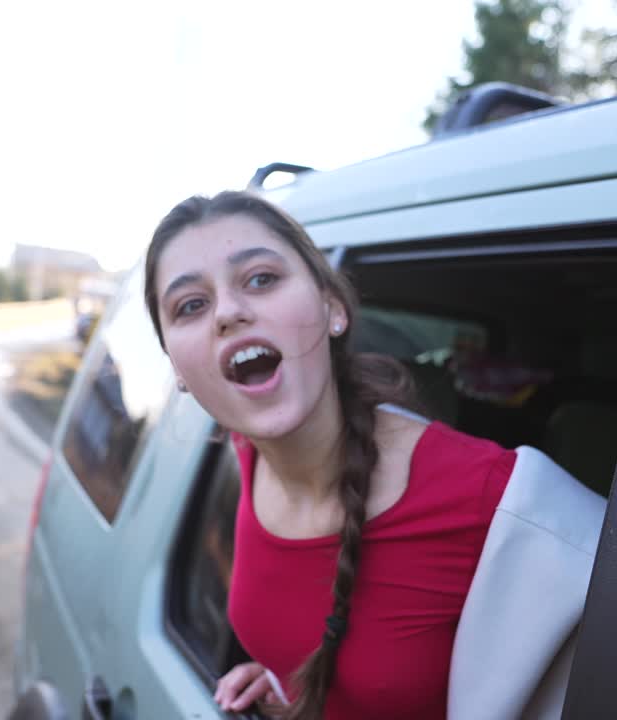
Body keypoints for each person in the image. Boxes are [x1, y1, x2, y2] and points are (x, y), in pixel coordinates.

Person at [143, 191, 520, 719]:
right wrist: (287, 679)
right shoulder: (245, 451)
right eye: (191, 306)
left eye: (260, 279)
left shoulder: (496, 496)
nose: (228, 311)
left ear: (333, 309)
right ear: (179, 371)